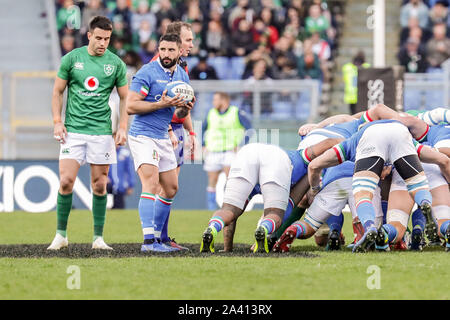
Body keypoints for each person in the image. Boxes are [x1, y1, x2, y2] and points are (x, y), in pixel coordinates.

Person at [307, 119, 450, 253]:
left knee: (363, 195)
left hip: (370, 137)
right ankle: (425, 203)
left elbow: (314, 166)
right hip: (401, 131)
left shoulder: (351, 142)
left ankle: (370, 227)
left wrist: (314, 189)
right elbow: (443, 160)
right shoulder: (410, 137)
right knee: (418, 187)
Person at [48, 16, 129, 250]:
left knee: (100, 186)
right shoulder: (72, 59)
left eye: (108, 39)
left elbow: (125, 97)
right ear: (89, 35)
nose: (103, 43)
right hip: (73, 131)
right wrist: (56, 121)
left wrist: (122, 127)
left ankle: (98, 238)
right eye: (100, 38)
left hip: (102, 133)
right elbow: (57, 92)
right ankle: (61, 235)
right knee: (65, 181)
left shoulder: (115, 64)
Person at [126, 33, 194, 253]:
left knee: (171, 187)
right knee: (151, 184)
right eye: (162, 49)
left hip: (163, 136)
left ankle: (159, 239)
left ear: (178, 52)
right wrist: (161, 104)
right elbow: (131, 107)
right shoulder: (147, 72)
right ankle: (148, 243)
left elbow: (179, 114)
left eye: (171, 50)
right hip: (142, 135)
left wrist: (185, 108)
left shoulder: (182, 76)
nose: (166, 54)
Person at [150, 21, 196, 250]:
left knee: (170, 188)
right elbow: (155, 103)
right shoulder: (157, 67)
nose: (191, 44)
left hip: (177, 129)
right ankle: (155, 238)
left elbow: (180, 106)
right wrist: (168, 130)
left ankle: (163, 237)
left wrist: (191, 130)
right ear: (176, 41)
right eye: (188, 40)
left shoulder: (181, 67)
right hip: (161, 131)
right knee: (165, 187)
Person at [202, 92, 252, 210]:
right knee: (212, 180)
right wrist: (203, 144)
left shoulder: (236, 112)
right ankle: (211, 207)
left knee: (231, 180)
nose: (213, 102)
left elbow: (249, 128)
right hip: (213, 151)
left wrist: (242, 144)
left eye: (215, 100)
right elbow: (203, 128)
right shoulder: (211, 113)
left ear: (224, 100)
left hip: (230, 151)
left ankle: (231, 205)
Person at [342, 51, 370, 115]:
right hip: (361, 96)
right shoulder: (366, 67)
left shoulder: (347, 68)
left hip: (352, 96)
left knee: (353, 115)